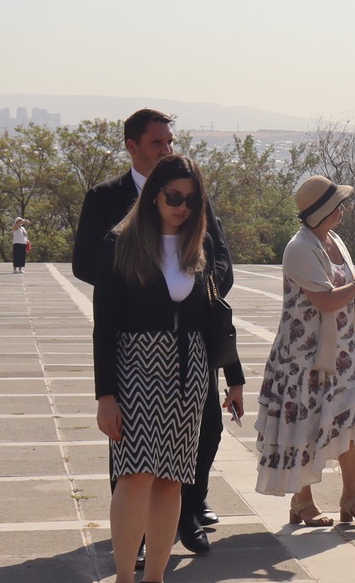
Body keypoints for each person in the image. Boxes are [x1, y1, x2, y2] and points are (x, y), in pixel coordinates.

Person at [73, 109, 239, 556]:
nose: (166, 149)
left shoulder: (193, 193)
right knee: (133, 457)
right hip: (138, 347)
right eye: (156, 143)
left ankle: (189, 511)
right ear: (132, 146)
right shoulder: (105, 198)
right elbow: (86, 263)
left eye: (169, 141)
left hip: (191, 344)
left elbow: (219, 255)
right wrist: (139, 286)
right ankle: (136, 541)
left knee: (204, 434)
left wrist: (198, 285)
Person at [91, 155, 242, 583]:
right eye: (173, 196)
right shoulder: (120, 243)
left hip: (189, 368)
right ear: (154, 193)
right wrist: (105, 395)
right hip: (134, 366)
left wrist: (233, 376)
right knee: (134, 476)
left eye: (192, 199)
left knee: (172, 481)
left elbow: (215, 316)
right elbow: (104, 326)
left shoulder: (201, 244)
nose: (182, 206)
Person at [255, 174, 355, 527]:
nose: (343, 209)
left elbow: (345, 285)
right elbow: (326, 300)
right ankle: (303, 501)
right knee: (308, 424)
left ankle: (351, 498)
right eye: (337, 204)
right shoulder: (299, 248)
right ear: (321, 211)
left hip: (348, 349)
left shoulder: (333, 239)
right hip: (307, 355)